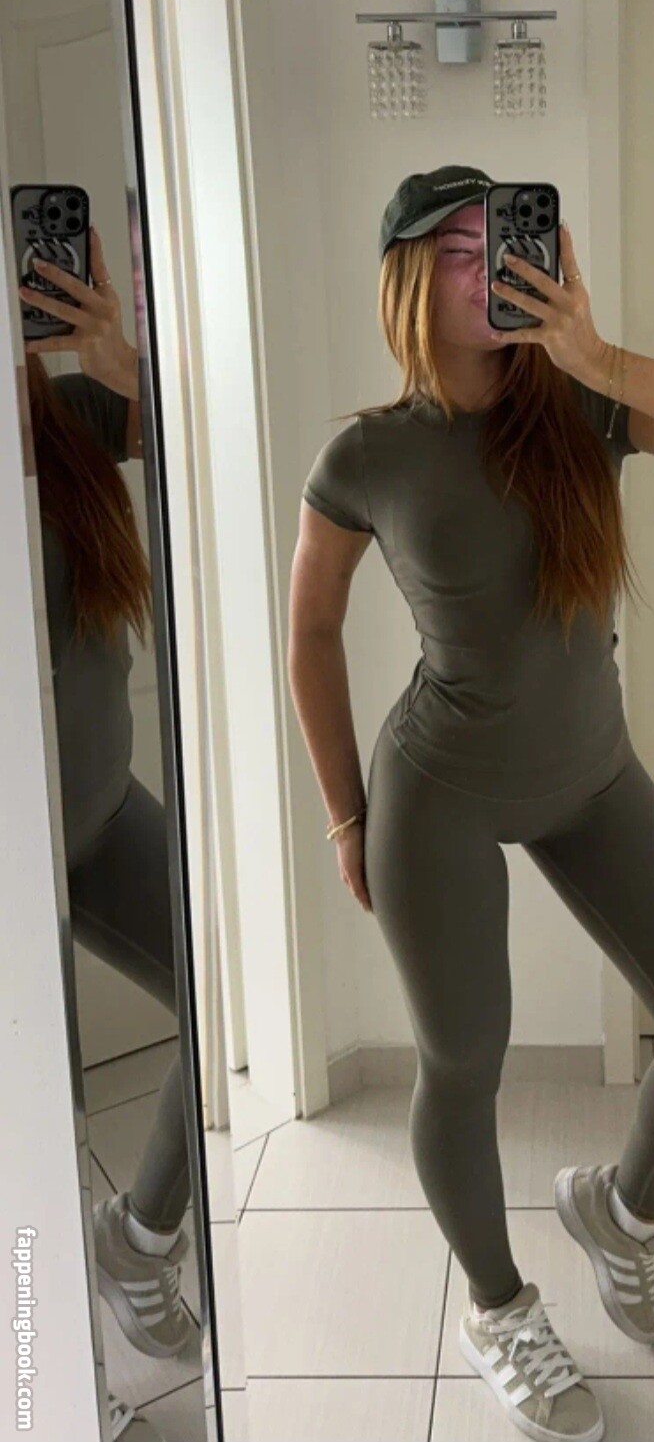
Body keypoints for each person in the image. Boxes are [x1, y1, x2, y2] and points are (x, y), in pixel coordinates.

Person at [289, 166, 654, 1441]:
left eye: (507, 238)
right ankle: (498, 1305)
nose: (493, 263)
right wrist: (347, 813)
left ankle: (622, 1210)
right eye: (459, 248)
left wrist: (597, 351)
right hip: (440, 790)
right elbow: (310, 631)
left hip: (593, 774)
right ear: (408, 277)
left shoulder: (584, 403)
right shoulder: (365, 453)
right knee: (465, 1060)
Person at [18, 228, 196, 1440]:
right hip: (14, 859)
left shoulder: (75, 414)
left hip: (100, 809)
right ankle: (51, 1383)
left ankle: (137, 1238)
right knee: (32, 1118)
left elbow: (203, 456)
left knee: (213, 994)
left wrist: (119, 362)